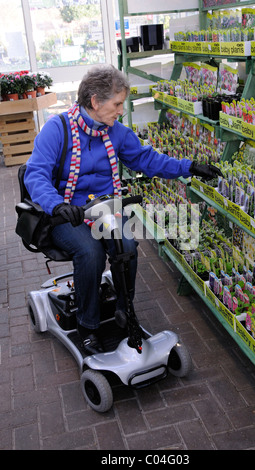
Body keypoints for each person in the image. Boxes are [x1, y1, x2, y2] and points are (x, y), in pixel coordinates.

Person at [24, 64, 222, 355]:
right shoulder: (57, 129)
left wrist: (188, 167)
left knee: (126, 244)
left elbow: (146, 159)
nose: (120, 111)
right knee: (89, 253)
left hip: (106, 209)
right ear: (95, 101)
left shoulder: (115, 132)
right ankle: (87, 326)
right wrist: (57, 205)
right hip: (67, 214)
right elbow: (35, 174)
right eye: (117, 104)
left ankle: (122, 309)